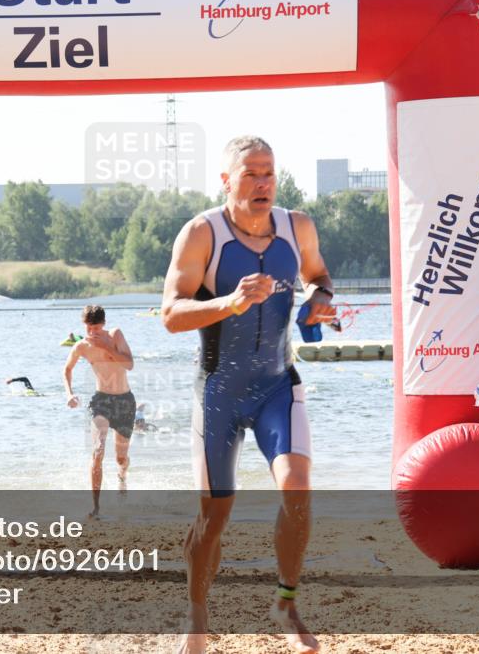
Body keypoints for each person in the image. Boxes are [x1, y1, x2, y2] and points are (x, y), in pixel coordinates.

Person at [162, 135, 335, 654]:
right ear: (226, 181)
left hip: (277, 386)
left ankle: (285, 601)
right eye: (251, 174)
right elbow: (170, 314)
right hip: (218, 392)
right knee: (215, 516)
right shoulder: (201, 234)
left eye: (269, 173)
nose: (263, 183)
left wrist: (320, 302)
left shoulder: (296, 226)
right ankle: (197, 617)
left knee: (298, 489)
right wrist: (230, 303)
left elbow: (319, 276)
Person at [63, 305, 136, 519]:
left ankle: (122, 477)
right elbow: (67, 369)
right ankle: (96, 507)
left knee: (121, 458)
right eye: (88, 327)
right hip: (101, 401)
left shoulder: (115, 335)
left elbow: (129, 364)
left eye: (96, 327)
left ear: (103, 324)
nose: (92, 332)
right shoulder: (81, 346)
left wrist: (107, 346)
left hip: (124, 402)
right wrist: (69, 394)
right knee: (97, 450)